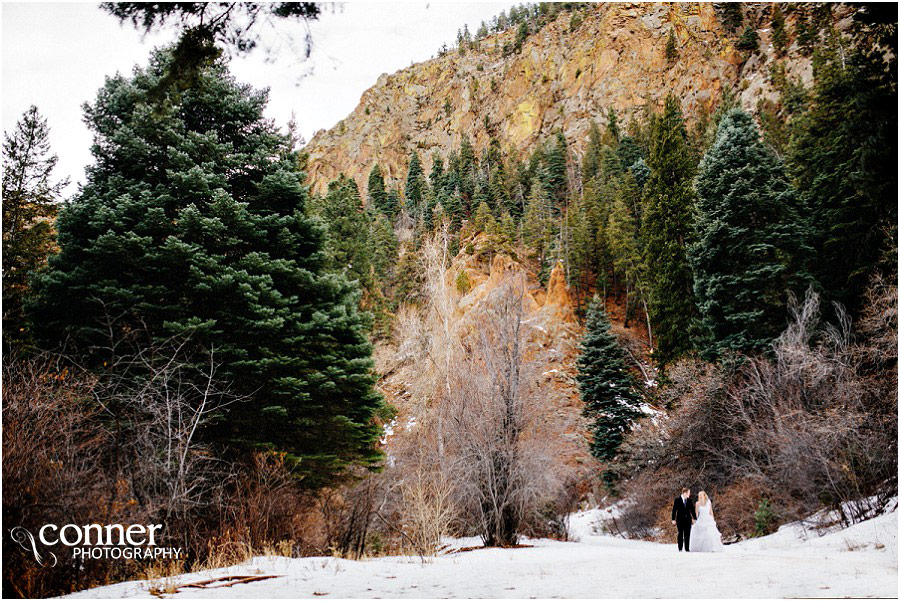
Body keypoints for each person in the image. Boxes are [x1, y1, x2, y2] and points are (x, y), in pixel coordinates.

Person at [671, 487, 696, 552]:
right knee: (680, 534)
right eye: (689, 493)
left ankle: (687, 548)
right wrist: (673, 519)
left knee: (687, 534)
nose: (689, 494)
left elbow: (692, 510)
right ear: (685, 493)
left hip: (688, 520)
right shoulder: (677, 500)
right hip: (680, 520)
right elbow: (674, 510)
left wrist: (695, 518)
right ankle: (680, 548)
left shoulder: (689, 501)